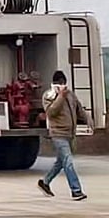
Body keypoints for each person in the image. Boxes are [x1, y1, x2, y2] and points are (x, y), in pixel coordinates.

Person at [38, 70, 93, 200]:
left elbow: (79, 110)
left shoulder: (71, 96)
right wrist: (60, 96)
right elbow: (51, 112)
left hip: (70, 134)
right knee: (68, 161)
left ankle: (45, 182)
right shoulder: (48, 96)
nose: (62, 85)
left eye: (63, 83)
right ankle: (76, 190)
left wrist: (88, 120)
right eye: (59, 83)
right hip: (58, 134)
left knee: (61, 162)